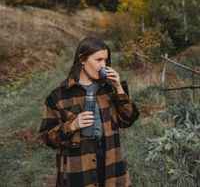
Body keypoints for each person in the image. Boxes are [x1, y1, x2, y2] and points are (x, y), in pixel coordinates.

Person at [39, 36, 140, 187]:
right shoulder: (59, 95)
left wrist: (119, 88)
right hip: (78, 166)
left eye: (105, 61)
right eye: (98, 60)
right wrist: (72, 126)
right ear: (82, 59)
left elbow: (128, 120)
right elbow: (47, 137)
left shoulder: (109, 88)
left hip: (111, 160)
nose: (103, 65)